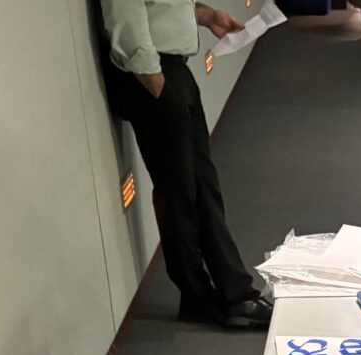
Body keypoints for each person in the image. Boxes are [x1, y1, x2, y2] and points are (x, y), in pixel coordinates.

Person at [98, 0, 272, 329]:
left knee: (202, 183)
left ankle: (235, 293)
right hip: (151, 74)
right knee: (179, 190)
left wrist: (207, 16)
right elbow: (126, 17)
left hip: (172, 70)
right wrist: (154, 80)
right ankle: (196, 295)